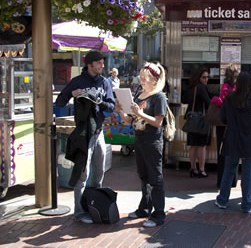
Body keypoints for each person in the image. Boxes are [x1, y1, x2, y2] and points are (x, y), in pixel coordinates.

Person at [55, 50, 115, 224]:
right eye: (99, 63)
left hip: (99, 133)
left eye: (103, 63)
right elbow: (60, 102)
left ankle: (93, 206)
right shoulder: (77, 82)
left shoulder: (104, 82)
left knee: (99, 172)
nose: (102, 66)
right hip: (83, 134)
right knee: (83, 173)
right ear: (90, 65)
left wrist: (99, 101)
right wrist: (72, 94)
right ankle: (79, 212)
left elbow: (111, 106)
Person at [118, 62, 167, 228]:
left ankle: (159, 213)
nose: (142, 81)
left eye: (145, 79)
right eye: (141, 78)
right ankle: (145, 207)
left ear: (154, 80)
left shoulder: (158, 97)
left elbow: (158, 122)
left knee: (155, 178)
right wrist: (121, 110)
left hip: (152, 142)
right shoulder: (139, 94)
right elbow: (129, 120)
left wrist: (140, 113)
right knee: (144, 176)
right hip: (139, 140)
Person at [215, 72, 251, 213]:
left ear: (237, 83)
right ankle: (246, 204)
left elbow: (222, 118)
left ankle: (222, 200)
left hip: (232, 139)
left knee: (229, 170)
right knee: (248, 173)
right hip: (250, 140)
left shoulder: (229, 98)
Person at [211, 64, 238, 188]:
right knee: (233, 152)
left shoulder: (226, 87)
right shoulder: (238, 87)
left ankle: (221, 180)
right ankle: (233, 180)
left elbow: (222, 101)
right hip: (235, 123)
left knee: (222, 151)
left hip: (223, 124)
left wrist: (214, 99)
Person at [184, 67, 211, 178]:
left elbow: (186, 99)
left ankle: (192, 168)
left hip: (191, 119)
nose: (206, 79)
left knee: (193, 145)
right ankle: (202, 169)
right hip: (200, 120)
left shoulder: (192, 88)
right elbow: (208, 102)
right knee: (201, 146)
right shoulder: (201, 88)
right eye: (204, 77)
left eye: (207, 77)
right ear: (199, 78)